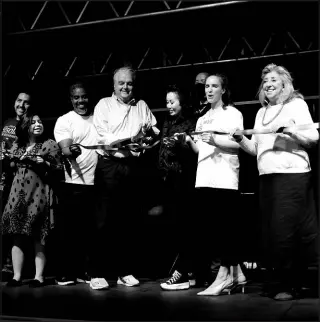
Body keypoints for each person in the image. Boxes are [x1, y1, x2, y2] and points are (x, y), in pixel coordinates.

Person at [232, 63, 319, 301]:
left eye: (273, 80)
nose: (268, 84)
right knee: (273, 232)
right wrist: (241, 140)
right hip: (267, 178)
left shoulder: (296, 105)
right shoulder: (261, 113)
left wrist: (292, 133)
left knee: (288, 232)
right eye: (265, 81)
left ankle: (291, 285)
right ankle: (281, 281)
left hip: (292, 177)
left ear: (284, 84)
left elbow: (313, 137)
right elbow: (256, 150)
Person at [175, 73, 247, 295]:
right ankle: (238, 275)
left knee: (226, 230)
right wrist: (187, 141)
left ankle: (227, 277)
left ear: (223, 90)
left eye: (214, 86)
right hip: (204, 177)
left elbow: (237, 144)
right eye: (207, 86)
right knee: (213, 230)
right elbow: (200, 150)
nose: (209, 90)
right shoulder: (202, 118)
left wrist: (215, 140)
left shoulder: (233, 113)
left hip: (225, 177)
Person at [90, 66, 160, 290]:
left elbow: (154, 130)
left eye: (129, 83)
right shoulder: (104, 104)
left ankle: (124, 272)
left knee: (129, 220)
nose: (125, 87)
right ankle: (97, 273)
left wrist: (148, 138)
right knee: (104, 221)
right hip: (110, 165)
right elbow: (104, 136)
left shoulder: (142, 106)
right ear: (113, 85)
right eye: (121, 83)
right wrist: (129, 139)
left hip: (133, 166)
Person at [1, 113, 62, 287]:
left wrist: (44, 162)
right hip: (17, 195)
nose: (37, 124)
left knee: (38, 236)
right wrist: (12, 159)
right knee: (17, 235)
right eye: (33, 122)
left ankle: (39, 277)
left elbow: (58, 169)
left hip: (38, 194)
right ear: (26, 126)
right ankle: (17, 276)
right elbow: (9, 166)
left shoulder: (49, 145)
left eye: (40, 121)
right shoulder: (17, 146)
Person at [152, 85, 197, 290]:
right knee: (174, 227)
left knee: (185, 226)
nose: (168, 106)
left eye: (172, 102)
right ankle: (186, 270)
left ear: (181, 102)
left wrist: (182, 143)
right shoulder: (167, 122)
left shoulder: (189, 122)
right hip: (167, 181)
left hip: (184, 181)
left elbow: (194, 153)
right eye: (167, 102)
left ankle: (184, 272)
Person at [53, 82, 98, 286]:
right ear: (71, 99)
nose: (81, 101)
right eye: (76, 98)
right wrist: (72, 151)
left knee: (90, 232)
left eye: (84, 96)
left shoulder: (99, 118)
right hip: (73, 184)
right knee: (69, 232)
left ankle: (84, 271)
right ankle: (66, 273)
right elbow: (65, 148)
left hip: (96, 183)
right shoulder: (65, 120)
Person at [1, 91, 32, 277]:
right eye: (19, 100)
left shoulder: (30, 124)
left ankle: (10, 264)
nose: (21, 105)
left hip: (19, 178)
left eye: (26, 102)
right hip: (3, 175)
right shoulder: (7, 122)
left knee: (14, 219)